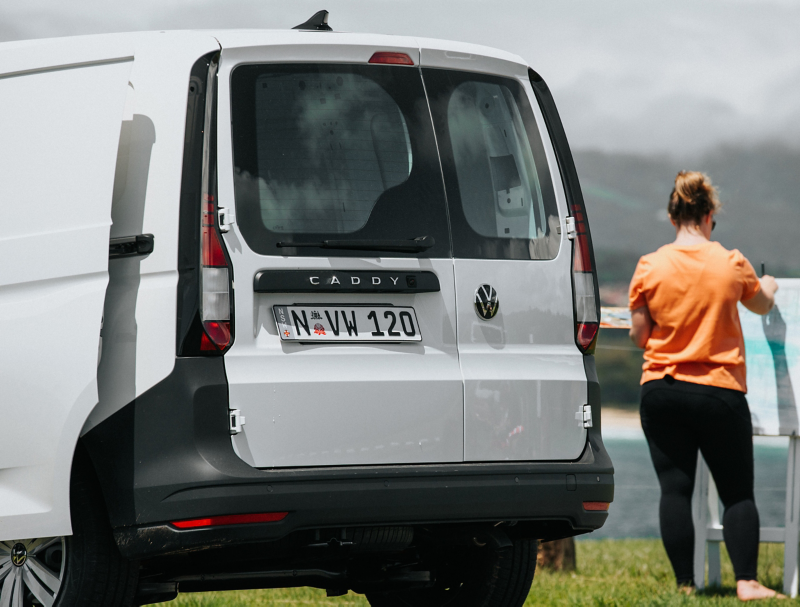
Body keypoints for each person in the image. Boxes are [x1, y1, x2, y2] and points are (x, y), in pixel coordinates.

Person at [628, 171, 782, 601]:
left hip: (662, 386)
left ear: (672, 215)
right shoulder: (731, 262)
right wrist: (767, 285)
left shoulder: (649, 265)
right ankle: (748, 582)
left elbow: (641, 336)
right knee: (736, 492)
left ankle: (685, 585)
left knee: (674, 489)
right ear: (710, 215)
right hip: (719, 390)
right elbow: (760, 303)